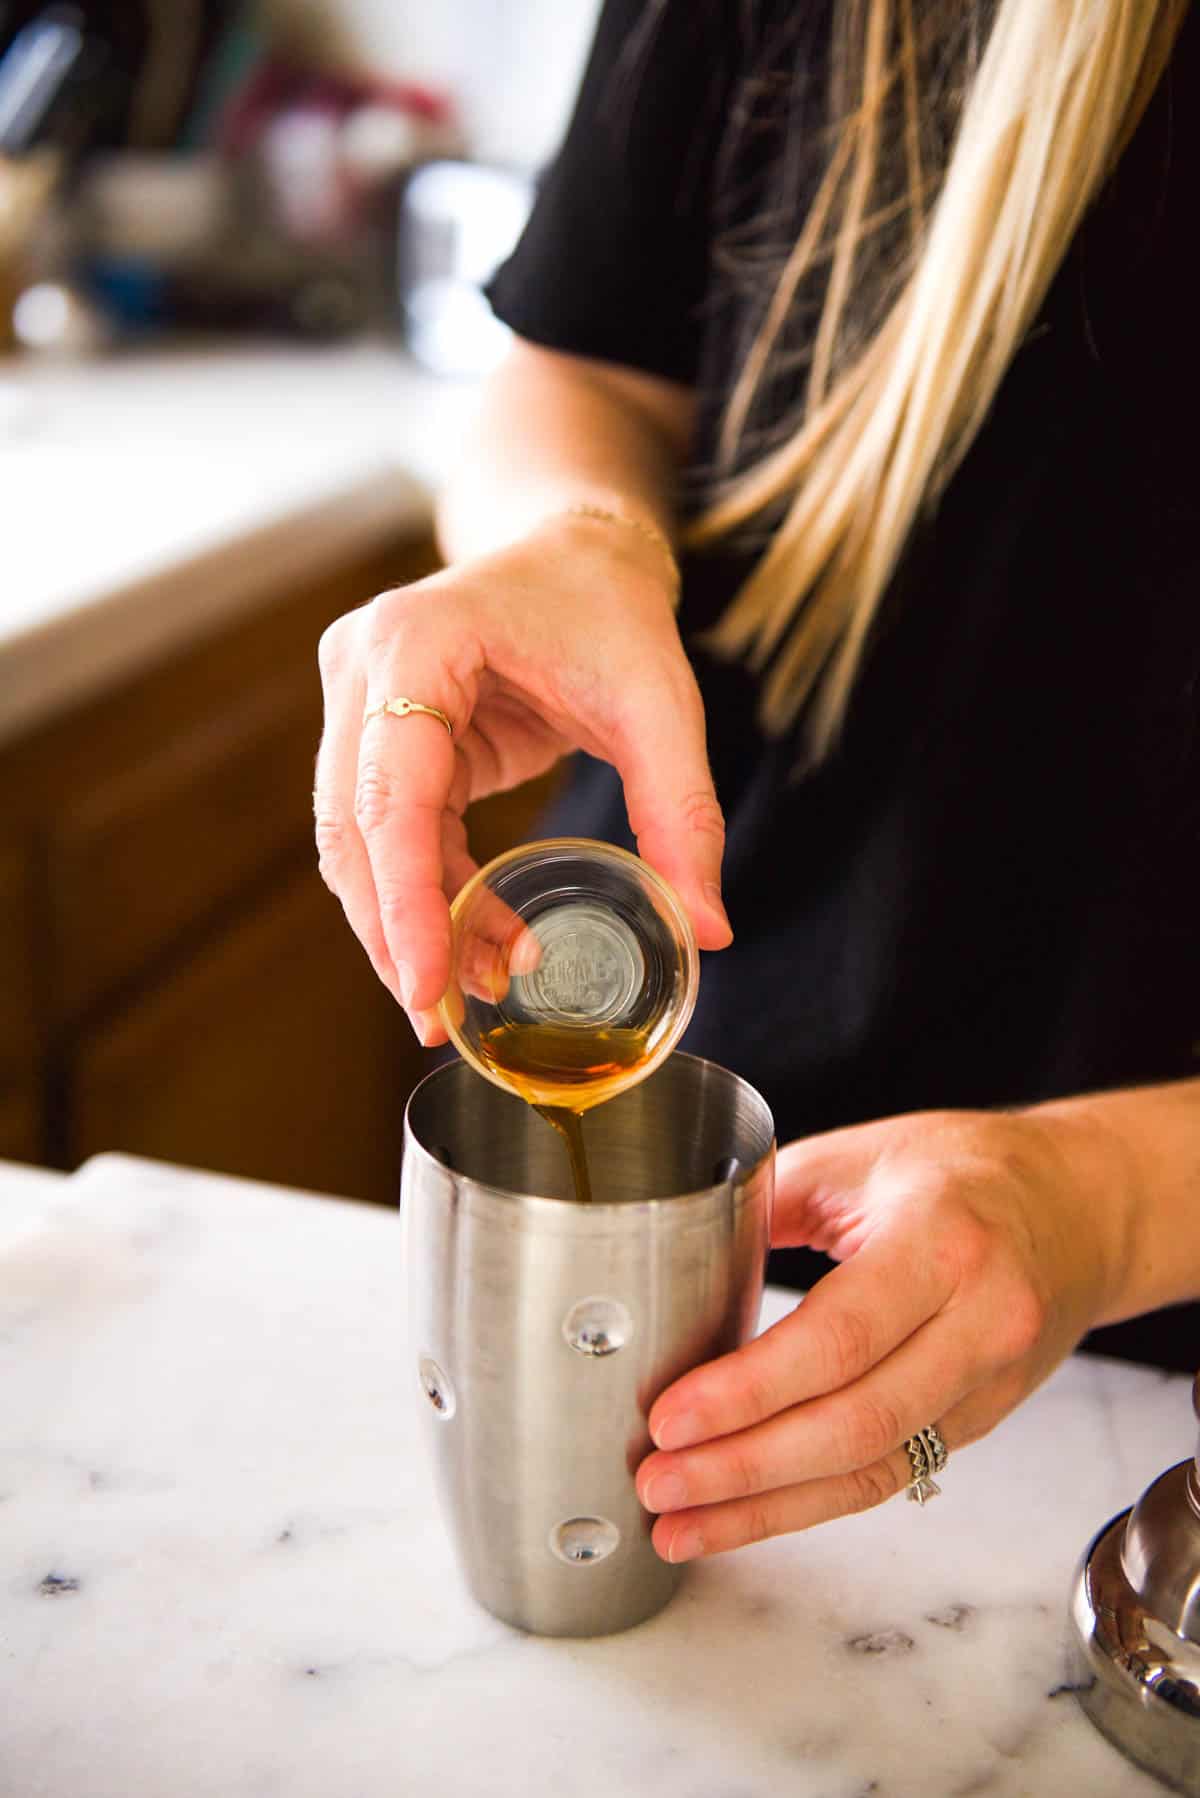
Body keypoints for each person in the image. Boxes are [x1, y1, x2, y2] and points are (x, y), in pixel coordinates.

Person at [313, 0, 1200, 1564]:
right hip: (713, 1036)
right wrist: (574, 541)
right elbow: (578, 368)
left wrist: (1106, 1204)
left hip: (1142, 1387)